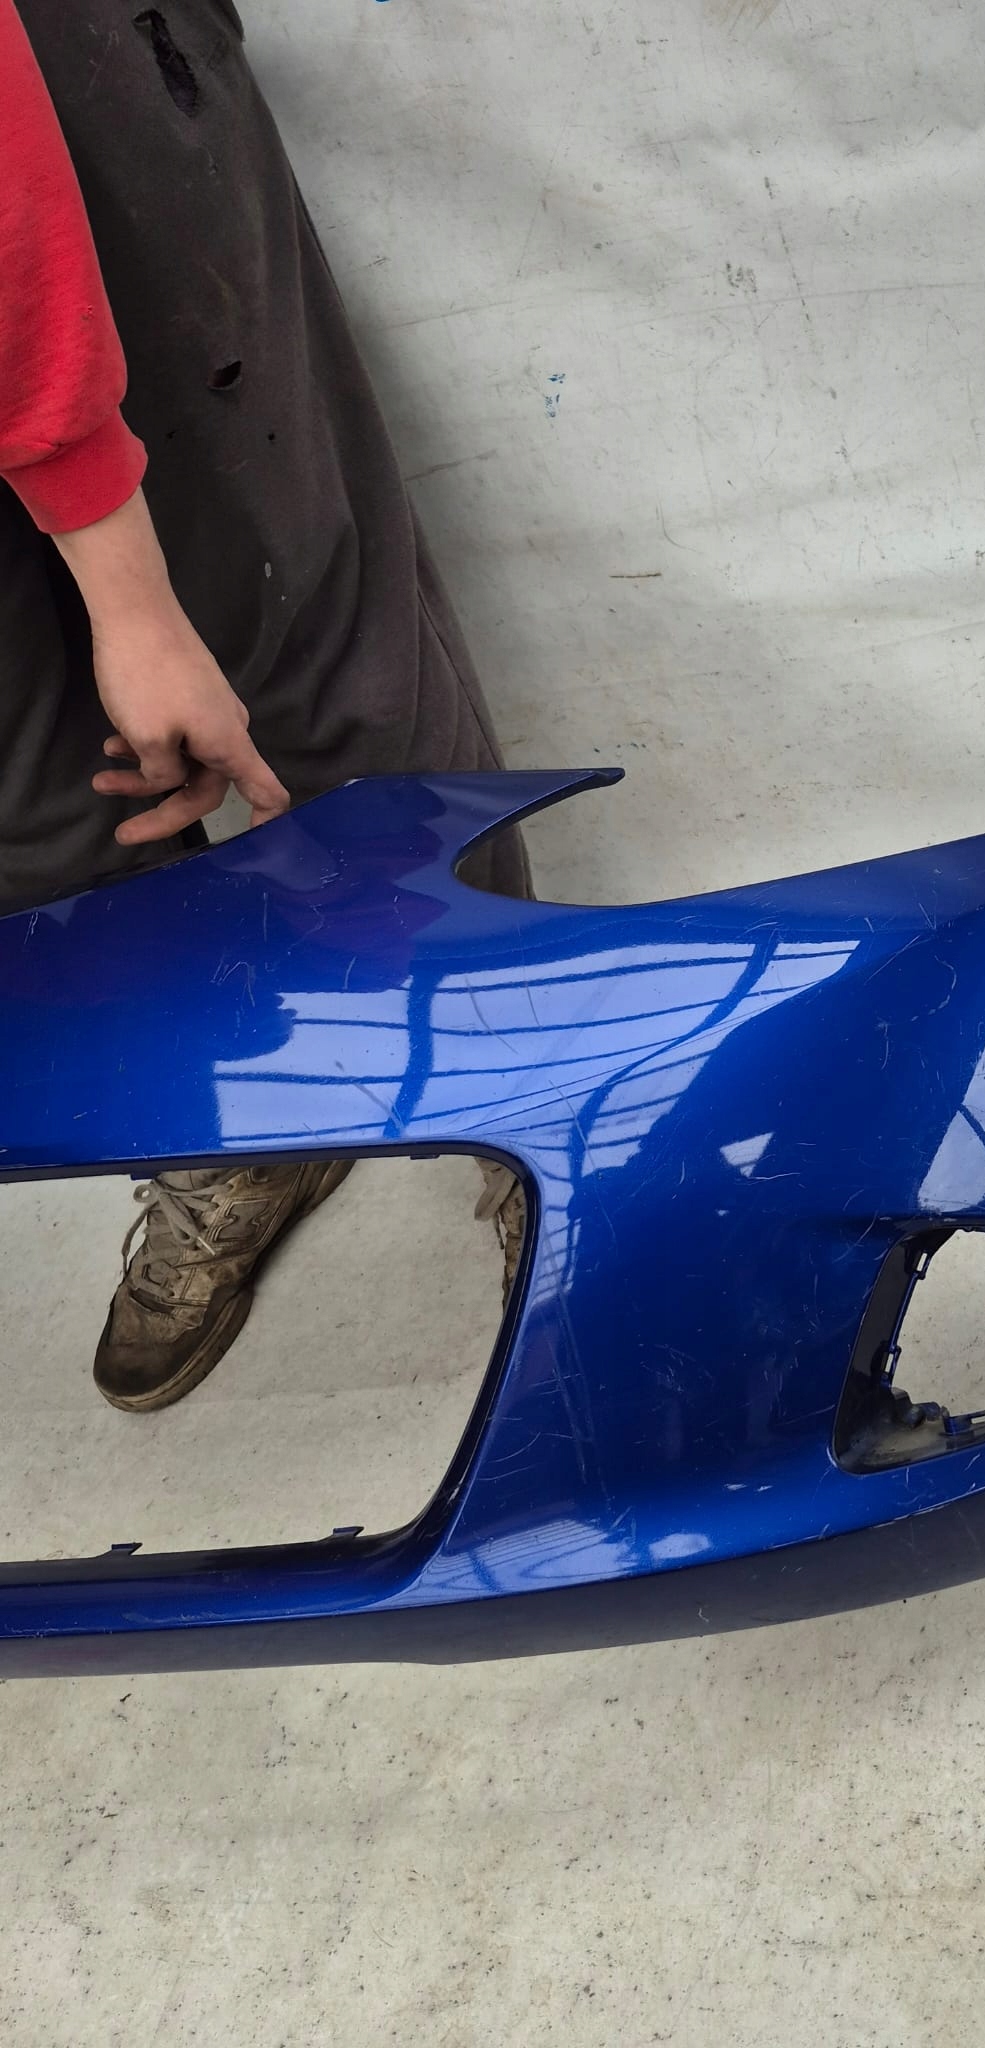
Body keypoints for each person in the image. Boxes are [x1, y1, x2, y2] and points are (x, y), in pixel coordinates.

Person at [1, 0, 527, 1412]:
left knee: (281, 621)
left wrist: (128, 594)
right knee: (37, 781)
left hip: (51, 75)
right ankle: (237, 1109)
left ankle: (516, 1083)